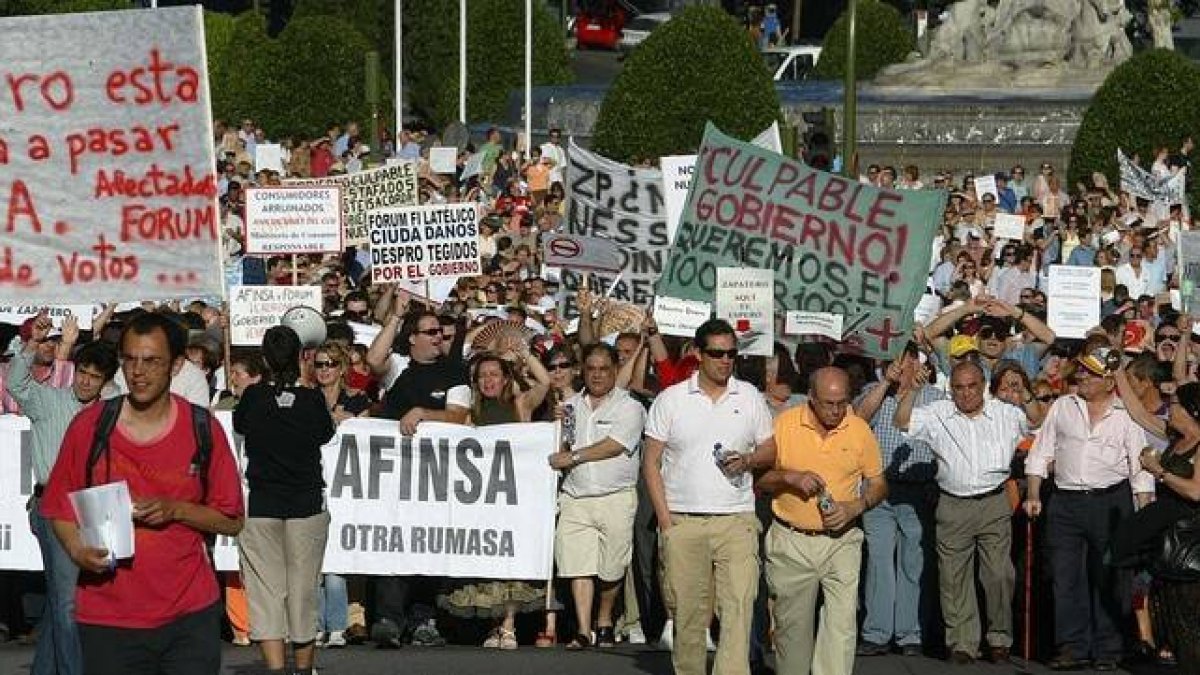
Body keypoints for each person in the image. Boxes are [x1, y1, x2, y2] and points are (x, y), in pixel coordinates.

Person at [39, 312, 245, 675]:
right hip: (108, 618)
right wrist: (77, 550)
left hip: (188, 616)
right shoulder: (90, 425)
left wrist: (177, 510)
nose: (138, 372)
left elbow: (231, 519)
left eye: (151, 361)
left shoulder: (203, 428)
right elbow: (58, 507)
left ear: (177, 365)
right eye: (129, 359)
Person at [643, 319, 776, 675]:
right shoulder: (671, 400)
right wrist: (667, 523)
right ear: (698, 354)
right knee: (688, 615)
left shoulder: (749, 397)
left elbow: (770, 449)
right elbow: (651, 463)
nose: (725, 360)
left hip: (737, 520)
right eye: (717, 353)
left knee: (738, 607)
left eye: (732, 353)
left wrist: (748, 459)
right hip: (683, 520)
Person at [895, 360, 1037, 664]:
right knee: (953, 577)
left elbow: (1037, 421)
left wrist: (1027, 395)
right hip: (953, 503)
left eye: (972, 386)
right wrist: (912, 391)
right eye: (959, 387)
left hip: (994, 501)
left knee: (999, 574)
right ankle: (962, 641)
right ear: (951, 389)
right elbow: (902, 422)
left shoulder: (1005, 413)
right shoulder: (938, 413)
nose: (966, 393)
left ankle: (999, 636)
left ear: (983, 385)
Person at [1024, 349, 1156, 671]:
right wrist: (1033, 493)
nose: (1081, 377)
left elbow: (1140, 469)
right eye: (1080, 371)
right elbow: (1040, 453)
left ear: (1110, 380)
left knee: (1110, 576)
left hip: (1110, 501)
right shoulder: (1063, 407)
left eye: (1090, 373)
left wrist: (1143, 516)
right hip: (1065, 501)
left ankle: (1108, 648)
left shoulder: (1127, 414)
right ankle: (1072, 646)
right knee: (1065, 576)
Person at [5, 313, 117, 675]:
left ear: (104, 381)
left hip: (94, 508)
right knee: (67, 602)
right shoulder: (50, 400)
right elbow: (17, 384)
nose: (85, 381)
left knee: (62, 600)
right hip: (53, 507)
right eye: (82, 372)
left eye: (94, 377)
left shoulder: (109, 410)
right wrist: (33, 344)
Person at [758, 367, 887, 675]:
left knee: (841, 627)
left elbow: (879, 483)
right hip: (792, 541)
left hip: (842, 541)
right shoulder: (785, 424)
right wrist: (791, 478)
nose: (836, 410)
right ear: (811, 398)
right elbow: (762, 479)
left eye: (842, 402)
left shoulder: (858, 429)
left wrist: (857, 506)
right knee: (792, 631)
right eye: (828, 403)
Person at [365, 301, 470, 647]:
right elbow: (373, 360)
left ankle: (423, 619)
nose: (440, 337)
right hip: (393, 476)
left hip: (434, 480)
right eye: (431, 332)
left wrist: (423, 412)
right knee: (391, 542)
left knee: (429, 543)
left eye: (441, 331)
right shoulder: (399, 367)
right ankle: (388, 619)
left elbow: (457, 415)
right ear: (412, 339)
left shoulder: (455, 372)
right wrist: (395, 315)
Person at [235, 326, 336, 675]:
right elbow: (326, 432)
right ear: (301, 357)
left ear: (264, 359)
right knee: (303, 591)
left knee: (266, 594)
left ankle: (277, 670)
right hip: (305, 505)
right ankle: (304, 670)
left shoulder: (252, 398)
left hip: (263, 505)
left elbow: (242, 427)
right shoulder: (311, 400)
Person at [437, 351, 550, 648]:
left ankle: (509, 625)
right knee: (488, 564)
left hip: (516, 498)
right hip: (484, 501)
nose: (488, 380)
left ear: (505, 379)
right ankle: (493, 625)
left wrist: (523, 352)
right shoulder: (470, 415)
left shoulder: (520, 404)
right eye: (483, 375)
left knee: (511, 562)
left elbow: (544, 381)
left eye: (494, 374)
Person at [548, 343, 646, 650]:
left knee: (612, 567)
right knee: (577, 563)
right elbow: (561, 449)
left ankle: (605, 617)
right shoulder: (571, 406)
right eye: (591, 369)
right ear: (582, 371)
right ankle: (583, 627)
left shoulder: (629, 406)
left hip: (615, 496)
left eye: (604, 369)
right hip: (576, 496)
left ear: (615, 370)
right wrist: (558, 429)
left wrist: (573, 457)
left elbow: (614, 445)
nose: (597, 375)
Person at [853, 346, 945, 657]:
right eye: (891, 359)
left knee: (913, 563)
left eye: (906, 358)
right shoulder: (872, 390)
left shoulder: (933, 397)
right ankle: (877, 633)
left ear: (916, 362)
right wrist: (883, 383)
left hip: (918, 489)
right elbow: (858, 421)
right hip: (879, 489)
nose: (898, 364)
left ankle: (910, 634)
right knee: (879, 563)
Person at [310, 341, 370, 649]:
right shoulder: (306, 401)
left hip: (347, 487)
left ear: (342, 368)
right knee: (314, 559)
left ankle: (336, 624)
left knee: (335, 559)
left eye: (330, 364)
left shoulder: (358, 400)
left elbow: (372, 433)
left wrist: (353, 421)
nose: (324, 370)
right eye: (319, 364)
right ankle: (317, 624)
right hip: (312, 482)